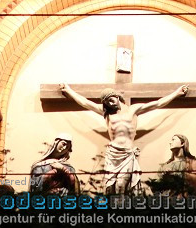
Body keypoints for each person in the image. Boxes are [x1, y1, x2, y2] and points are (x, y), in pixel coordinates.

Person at [60, 83, 188, 194]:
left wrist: (176, 93)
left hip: (126, 154)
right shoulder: (106, 113)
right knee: (110, 187)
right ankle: (112, 215)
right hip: (112, 154)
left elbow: (157, 104)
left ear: (116, 96)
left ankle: (122, 216)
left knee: (121, 185)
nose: (110, 103)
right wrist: (69, 91)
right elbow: (85, 103)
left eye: (111, 100)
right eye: (107, 102)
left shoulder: (133, 110)